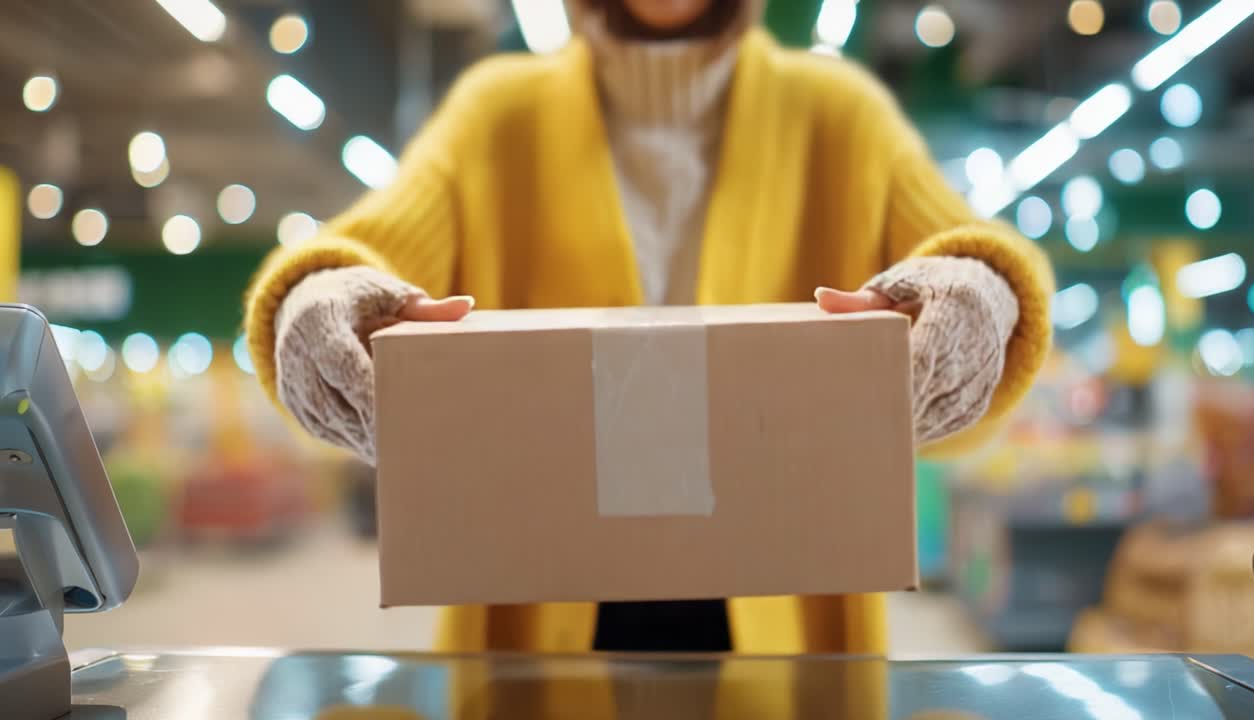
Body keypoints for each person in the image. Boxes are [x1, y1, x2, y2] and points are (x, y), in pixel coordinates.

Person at [244, 0, 1052, 659]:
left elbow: (966, 254)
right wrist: (319, 294)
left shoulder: (841, 116)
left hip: (790, 617)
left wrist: (979, 291)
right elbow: (371, 248)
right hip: (536, 617)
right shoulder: (496, 116)